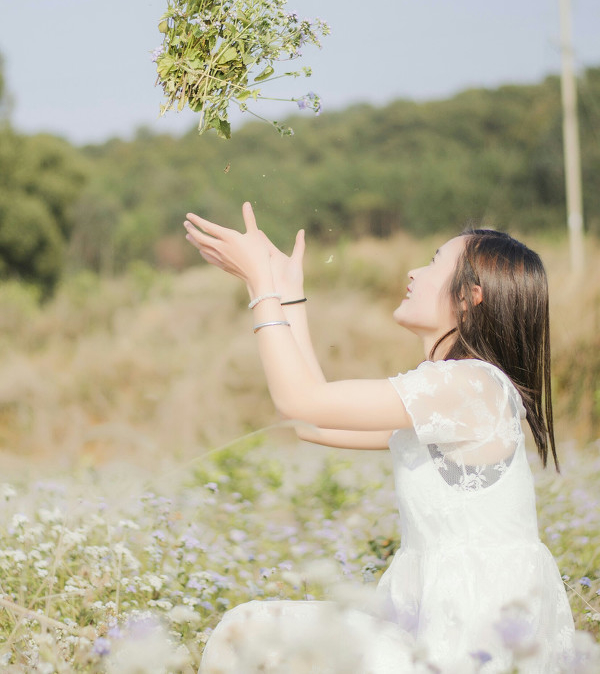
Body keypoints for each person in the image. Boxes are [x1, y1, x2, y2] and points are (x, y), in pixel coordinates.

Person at [183, 203, 576, 673]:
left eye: (433, 262)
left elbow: (300, 401)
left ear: (470, 296)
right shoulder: (455, 393)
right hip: (437, 637)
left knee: (247, 629)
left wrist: (261, 287)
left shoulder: (470, 386)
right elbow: (313, 423)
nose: (413, 273)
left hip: (463, 650)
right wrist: (283, 293)